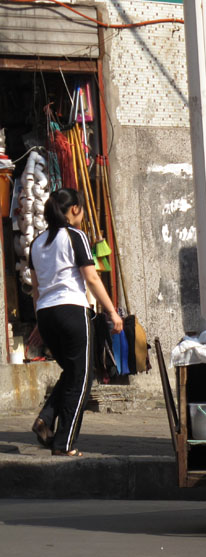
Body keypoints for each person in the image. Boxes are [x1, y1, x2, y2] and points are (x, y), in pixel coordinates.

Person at [28, 188, 123, 457]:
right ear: (74, 210)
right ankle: (64, 444)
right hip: (72, 312)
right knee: (82, 378)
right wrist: (112, 312)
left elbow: (36, 290)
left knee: (72, 372)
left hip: (47, 315)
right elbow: (91, 278)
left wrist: (38, 322)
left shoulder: (37, 242)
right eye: (80, 207)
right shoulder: (76, 236)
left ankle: (46, 419)